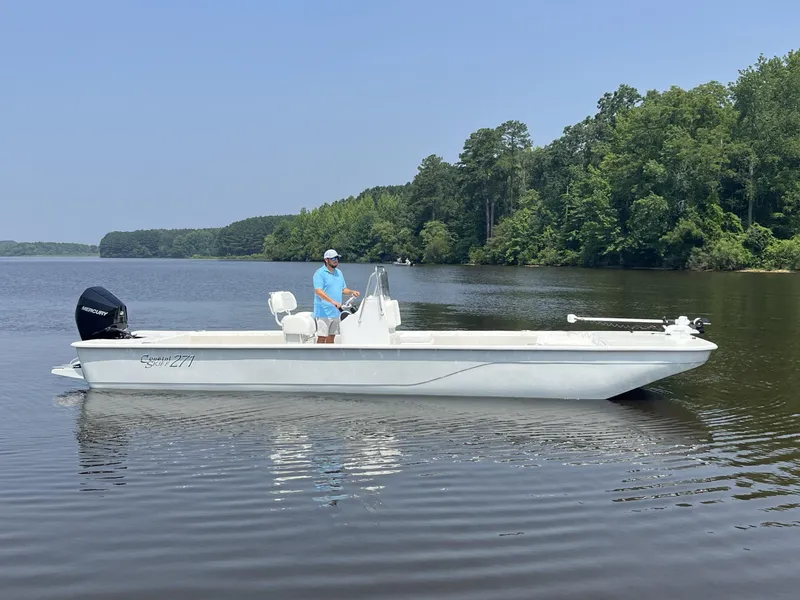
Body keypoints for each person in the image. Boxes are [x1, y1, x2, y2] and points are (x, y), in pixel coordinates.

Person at [313, 249, 360, 343]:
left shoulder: (339, 273)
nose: (336, 260)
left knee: (332, 337)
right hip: (323, 312)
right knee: (322, 337)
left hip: (336, 312)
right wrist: (332, 301)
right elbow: (318, 291)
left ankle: (329, 357)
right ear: (326, 260)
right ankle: (319, 356)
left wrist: (352, 292)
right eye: (333, 258)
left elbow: (343, 289)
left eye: (337, 258)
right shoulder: (319, 273)